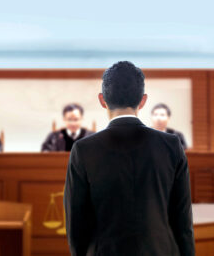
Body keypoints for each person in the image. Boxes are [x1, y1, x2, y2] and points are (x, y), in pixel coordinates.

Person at [64, 61, 194, 256]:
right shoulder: (171, 145)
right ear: (142, 101)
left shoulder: (83, 150)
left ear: (102, 100)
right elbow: (183, 222)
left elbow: (76, 224)